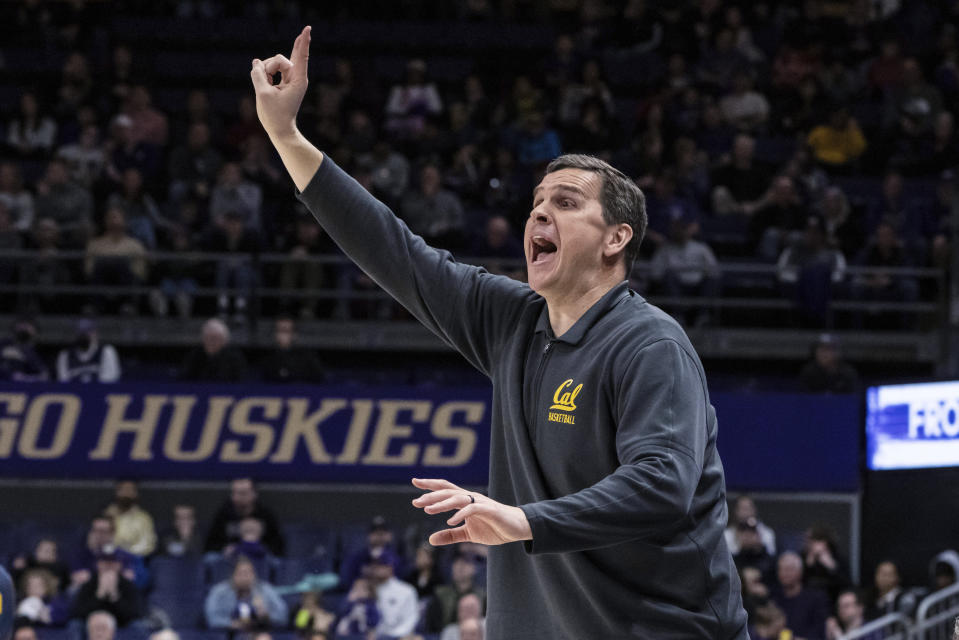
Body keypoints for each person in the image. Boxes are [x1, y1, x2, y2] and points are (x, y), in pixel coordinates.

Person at [250, 27, 748, 639]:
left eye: (566, 203)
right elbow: (395, 252)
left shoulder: (651, 346)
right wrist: (285, 135)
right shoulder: (511, 321)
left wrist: (522, 519)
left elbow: (661, 486)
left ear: (617, 239)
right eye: (537, 201)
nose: (539, 212)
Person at [205, 478, 285, 557]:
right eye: (234, 493)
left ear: (254, 494)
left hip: (261, 560)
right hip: (229, 560)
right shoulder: (223, 514)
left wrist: (261, 548)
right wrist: (224, 549)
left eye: (242, 493)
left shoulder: (265, 515)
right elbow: (210, 544)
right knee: (211, 558)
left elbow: (278, 546)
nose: (236, 498)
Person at [203, 556, 287, 631]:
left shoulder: (265, 589)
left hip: (258, 633)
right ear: (232, 576)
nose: (245, 577)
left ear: (254, 575)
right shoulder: (219, 591)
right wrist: (232, 624)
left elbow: (282, 616)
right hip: (227, 634)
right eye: (241, 573)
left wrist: (266, 615)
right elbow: (212, 618)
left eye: (248, 573)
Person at [69, 547, 141, 626]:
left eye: (112, 562)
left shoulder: (127, 584)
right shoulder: (89, 583)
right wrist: (99, 595)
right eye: (105, 562)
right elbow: (79, 613)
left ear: (119, 565)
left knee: (137, 626)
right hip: (92, 626)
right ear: (98, 564)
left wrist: (115, 596)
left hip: (120, 626)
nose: (108, 565)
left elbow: (134, 614)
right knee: (75, 625)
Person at [771, 551, 830, 640]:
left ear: (800, 571)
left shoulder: (815, 599)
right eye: (781, 569)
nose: (784, 573)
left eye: (788, 569)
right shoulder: (773, 599)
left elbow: (820, 631)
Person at [180, 318, 249, 383]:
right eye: (208, 337)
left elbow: (240, 380)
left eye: (216, 338)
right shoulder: (194, 356)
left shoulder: (235, 358)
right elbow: (185, 379)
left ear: (224, 340)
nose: (212, 342)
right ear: (203, 339)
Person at [259, 317, 324, 383]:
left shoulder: (308, 357)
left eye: (286, 330)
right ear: (275, 334)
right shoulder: (267, 358)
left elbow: (319, 377)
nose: (283, 335)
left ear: (294, 334)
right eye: (280, 330)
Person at [55, 319, 122, 383]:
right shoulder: (65, 355)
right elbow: (63, 384)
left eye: (87, 331)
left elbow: (110, 381)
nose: (84, 336)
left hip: (100, 393)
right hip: (74, 393)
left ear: (95, 333)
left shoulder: (106, 351)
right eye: (81, 332)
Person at [103, 480, 156, 557]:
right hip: (106, 557)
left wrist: (126, 553)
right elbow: (96, 541)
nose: (126, 493)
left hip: (133, 559)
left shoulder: (144, 518)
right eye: (123, 490)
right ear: (117, 492)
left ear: (136, 494)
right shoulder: (106, 514)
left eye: (129, 490)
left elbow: (148, 545)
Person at [0, 318, 49, 382]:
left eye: (27, 326)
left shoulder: (35, 353)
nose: (24, 327)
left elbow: (44, 375)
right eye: (21, 325)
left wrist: (24, 378)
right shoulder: (4, 345)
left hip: (20, 387)